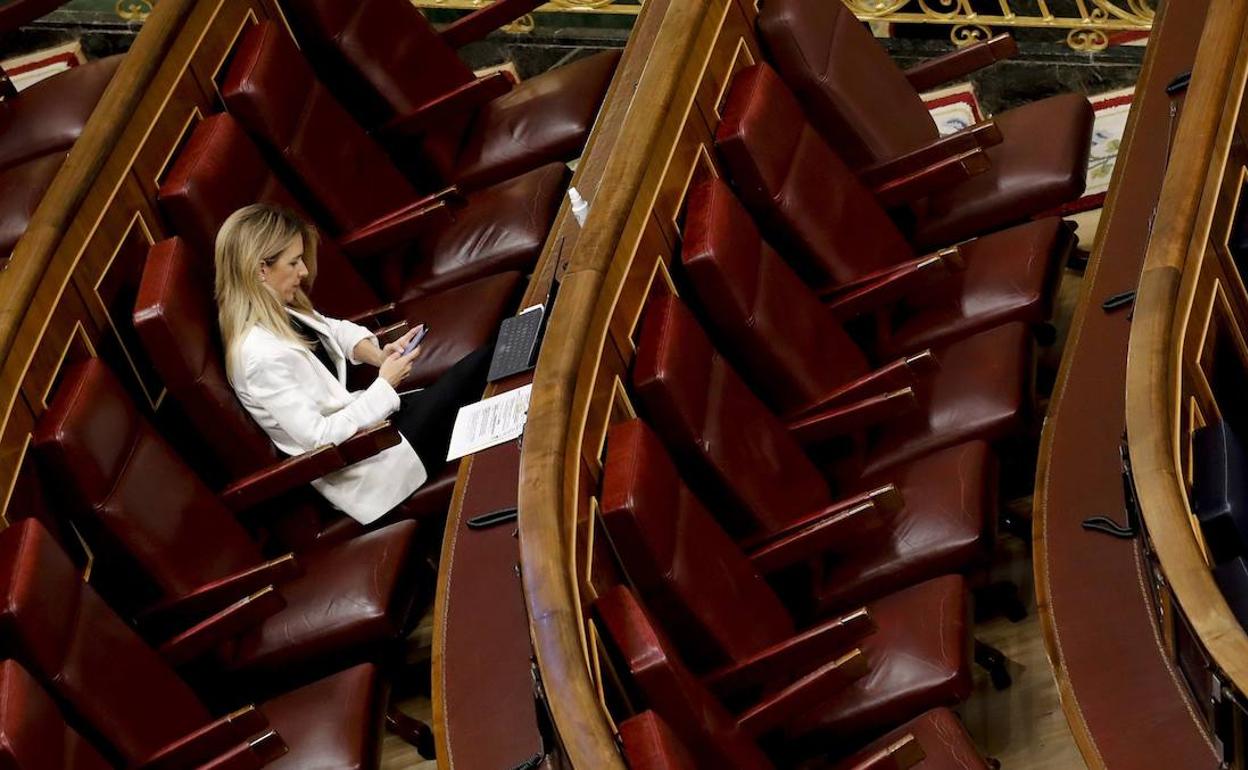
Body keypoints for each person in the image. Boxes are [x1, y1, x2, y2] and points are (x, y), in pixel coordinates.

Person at [215, 204, 491, 525]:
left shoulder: (279, 310)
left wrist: (379, 355)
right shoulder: (257, 358)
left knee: (478, 379)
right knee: (478, 372)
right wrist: (384, 384)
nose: (303, 272)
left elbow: (334, 330)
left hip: (381, 428)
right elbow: (320, 439)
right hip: (369, 465)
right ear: (261, 270)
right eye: (293, 262)